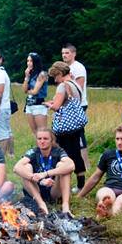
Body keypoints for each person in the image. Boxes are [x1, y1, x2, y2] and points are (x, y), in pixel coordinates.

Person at [45, 61, 87, 190]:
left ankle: (57, 182)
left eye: (55, 76)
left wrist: (48, 104)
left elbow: (57, 106)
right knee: (76, 153)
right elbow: (68, 102)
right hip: (76, 125)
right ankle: (81, 184)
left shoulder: (63, 86)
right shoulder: (75, 84)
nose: (55, 79)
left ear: (60, 73)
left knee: (61, 154)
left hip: (65, 128)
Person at [13, 128, 75, 215]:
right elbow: (16, 167)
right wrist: (39, 180)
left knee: (63, 166)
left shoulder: (58, 151)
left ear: (51, 140)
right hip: (36, 190)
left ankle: (65, 206)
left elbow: (71, 165)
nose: (42, 141)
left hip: (54, 190)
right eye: (39, 139)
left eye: (45, 139)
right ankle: (41, 203)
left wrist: (45, 174)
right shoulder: (33, 152)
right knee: (26, 167)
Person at [61, 43, 91, 178]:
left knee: (78, 135)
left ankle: (85, 163)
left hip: (78, 104)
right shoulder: (65, 68)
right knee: (73, 136)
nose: (64, 55)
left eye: (67, 53)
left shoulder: (78, 68)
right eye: (63, 53)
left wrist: (71, 103)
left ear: (74, 54)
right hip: (68, 105)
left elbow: (78, 88)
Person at [22, 52, 47, 134]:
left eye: (31, 61)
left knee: (42, 131)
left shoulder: (42, 74)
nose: (29, 63)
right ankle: (37, 146)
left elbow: (35, 91)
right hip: (29, 104)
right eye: (28, 61)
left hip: (39, 104)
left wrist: (29, 91)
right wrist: (27, 77)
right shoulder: (30, 74)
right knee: (34, 131)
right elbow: (24, 89)